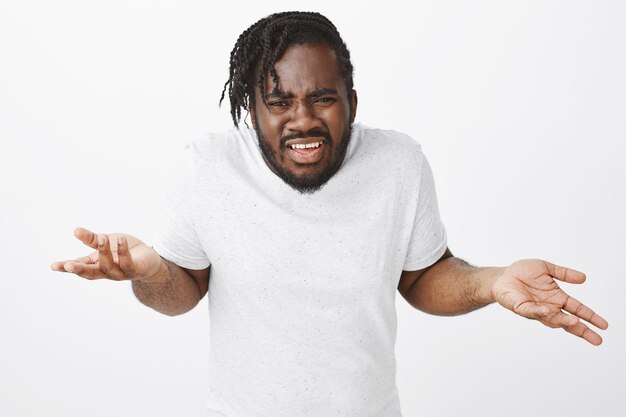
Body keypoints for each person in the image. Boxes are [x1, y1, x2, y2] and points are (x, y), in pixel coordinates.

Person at [50, 11, 608, 417]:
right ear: (250, 107)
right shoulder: (207, 167)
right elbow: (182, 291)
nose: (303, 120)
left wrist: (493, 282)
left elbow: (420, 277)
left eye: (322, 97)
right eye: (279, 101)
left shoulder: (398, 163)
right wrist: (149, 275)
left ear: (352, 101)